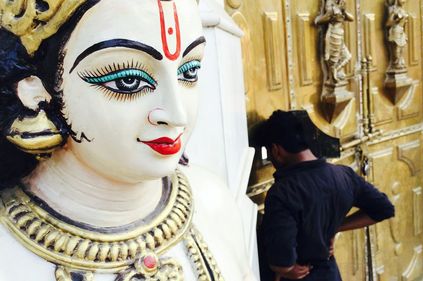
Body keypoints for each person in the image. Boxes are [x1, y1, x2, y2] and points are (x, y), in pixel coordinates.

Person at [0, 0, 255, 280]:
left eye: (189, 71)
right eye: (128, 82)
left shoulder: (214, 203)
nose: (176, 114)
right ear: (36, 90)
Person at [255, 110, 395, 281]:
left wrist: (285, 269)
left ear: (276, 150)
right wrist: (336, 226)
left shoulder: (283, 192)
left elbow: (283, 262)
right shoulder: (344, 175)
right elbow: (384, 209)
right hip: (330, 274)